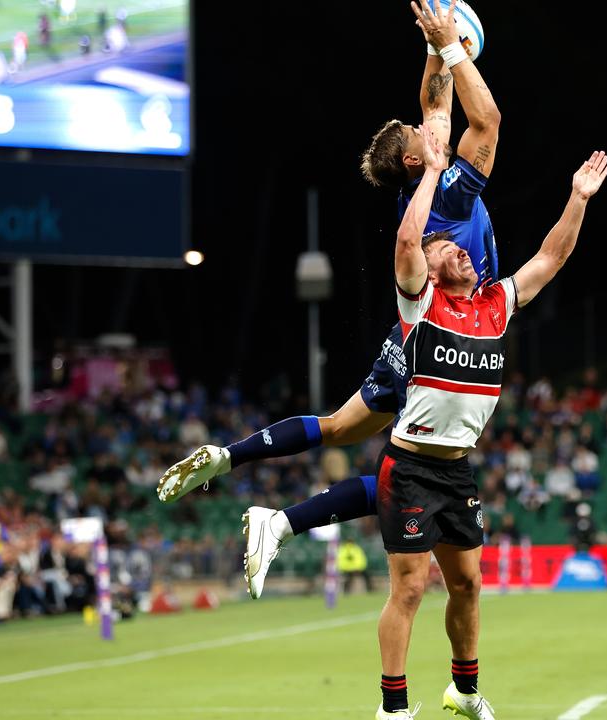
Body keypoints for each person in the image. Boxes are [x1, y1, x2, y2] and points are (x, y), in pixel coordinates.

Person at [251, 125, 607, 719]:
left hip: (457, 471)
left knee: (467, 585)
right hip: (410, 467)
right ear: (431, 270)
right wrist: (434, 174)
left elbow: (551, 257)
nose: (460, 250)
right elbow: (406, 241)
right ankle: (393, 707)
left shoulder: (495, 304)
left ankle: (463, 691)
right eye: (446, 251)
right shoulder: (421, 304)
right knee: (411, 587)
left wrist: (578, 198)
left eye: (459, 249)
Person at [155, 0, 504, 546]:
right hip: (443, 339)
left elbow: (435, 102)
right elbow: (488, 121)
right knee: (413, 473)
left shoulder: (421, 185)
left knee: (340, 427)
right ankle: (282, 522)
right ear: (414, 161)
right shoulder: (453, 194)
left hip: (413, 333)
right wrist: (456, 51)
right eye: (416, 133)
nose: (424, 126)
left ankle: (230, 458)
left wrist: (435, 46)